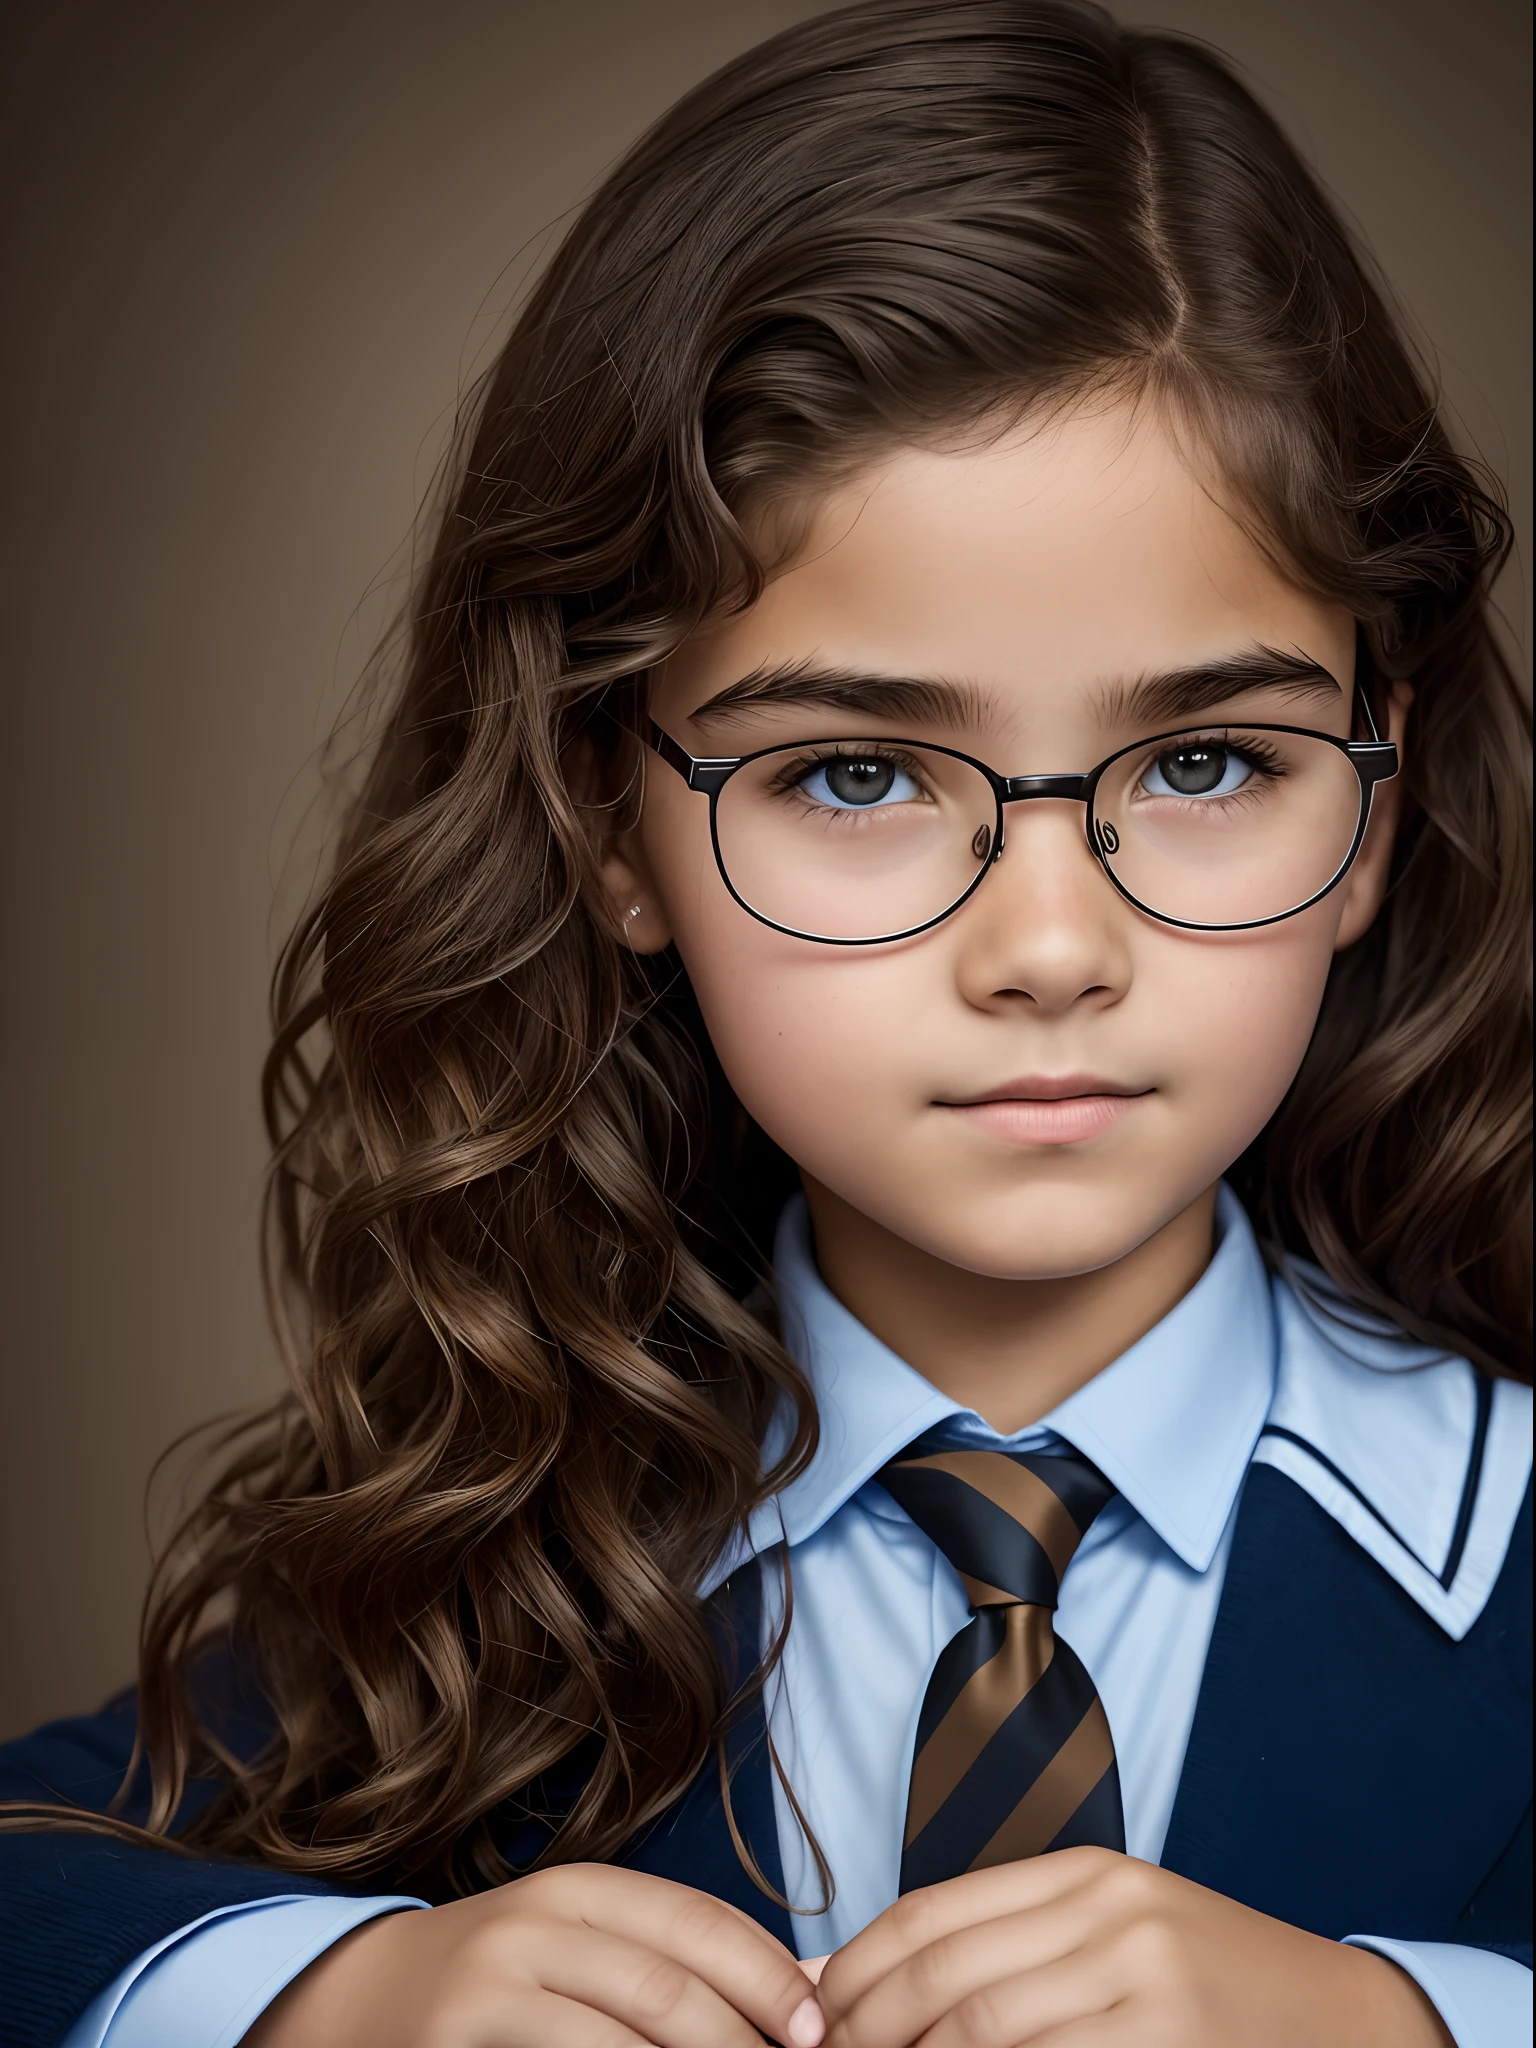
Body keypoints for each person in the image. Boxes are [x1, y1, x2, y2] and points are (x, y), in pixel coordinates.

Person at [2, 2, 1529, 2043]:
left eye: (1205, 763)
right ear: (604, 822)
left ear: (1376, 806)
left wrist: (1417, 2026)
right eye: (858, 777)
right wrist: (326, 1991)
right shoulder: (505, 1528)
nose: (1049, 946)